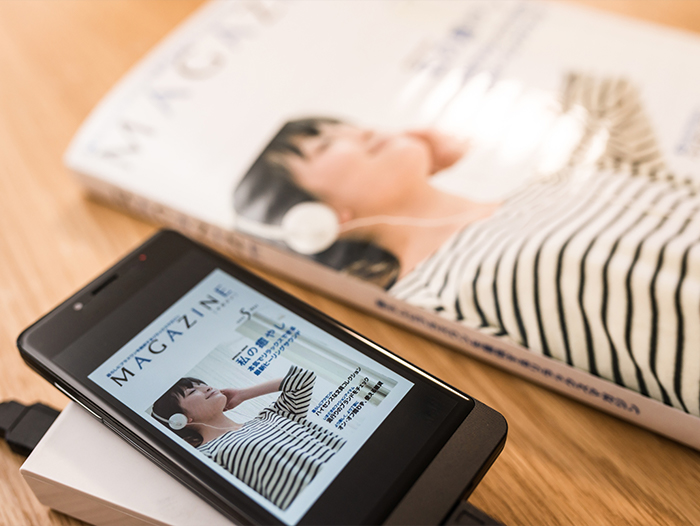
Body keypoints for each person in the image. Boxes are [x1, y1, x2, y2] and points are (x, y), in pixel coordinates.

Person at [232, 74, 700, 418]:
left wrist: (459, 129)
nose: (364, 132)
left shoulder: (562, 174)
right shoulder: (426, 306)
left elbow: (606, 94)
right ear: (311, 221)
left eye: (347, 126)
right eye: (324, 146)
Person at [152, 365, 345, 510]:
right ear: (179, 420)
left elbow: (303, 379)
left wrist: (243, 394)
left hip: (351, 472)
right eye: (192, 391)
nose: (206, 388)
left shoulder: (271, 415)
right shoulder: (205, 456)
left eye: (202, 384)